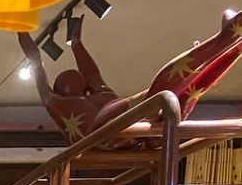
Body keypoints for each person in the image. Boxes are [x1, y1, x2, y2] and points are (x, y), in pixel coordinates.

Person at [19, 9, 242, 141]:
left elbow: (89, 73)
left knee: (184, 93)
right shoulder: (57, 103)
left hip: (132, 130)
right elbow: (38, 66)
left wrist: (76, 43)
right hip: (103, 131)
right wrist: (22, 34)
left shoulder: (95, 93)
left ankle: (232, 46)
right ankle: (225, 40)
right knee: (163, 94)